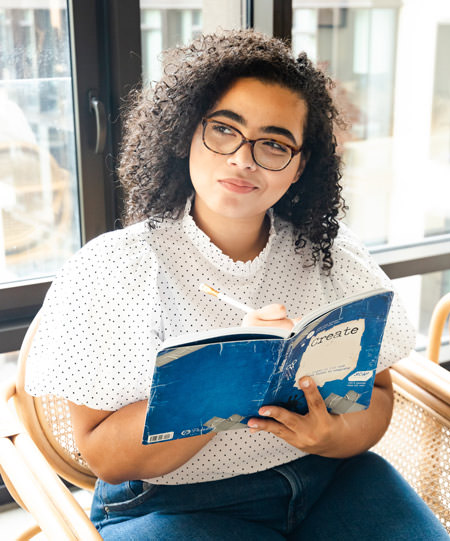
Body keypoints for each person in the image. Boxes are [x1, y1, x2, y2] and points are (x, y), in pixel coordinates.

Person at [25, 30, 449, 540]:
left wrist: (332, 434)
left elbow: (378, 397)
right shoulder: (115, 268)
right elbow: (102, 456)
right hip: (174, 505)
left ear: (299, 166)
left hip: (332, 479)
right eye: (224, 129)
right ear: (185, 134)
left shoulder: (334, 257)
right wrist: (224, 378)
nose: (244, 159)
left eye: (274, 143)